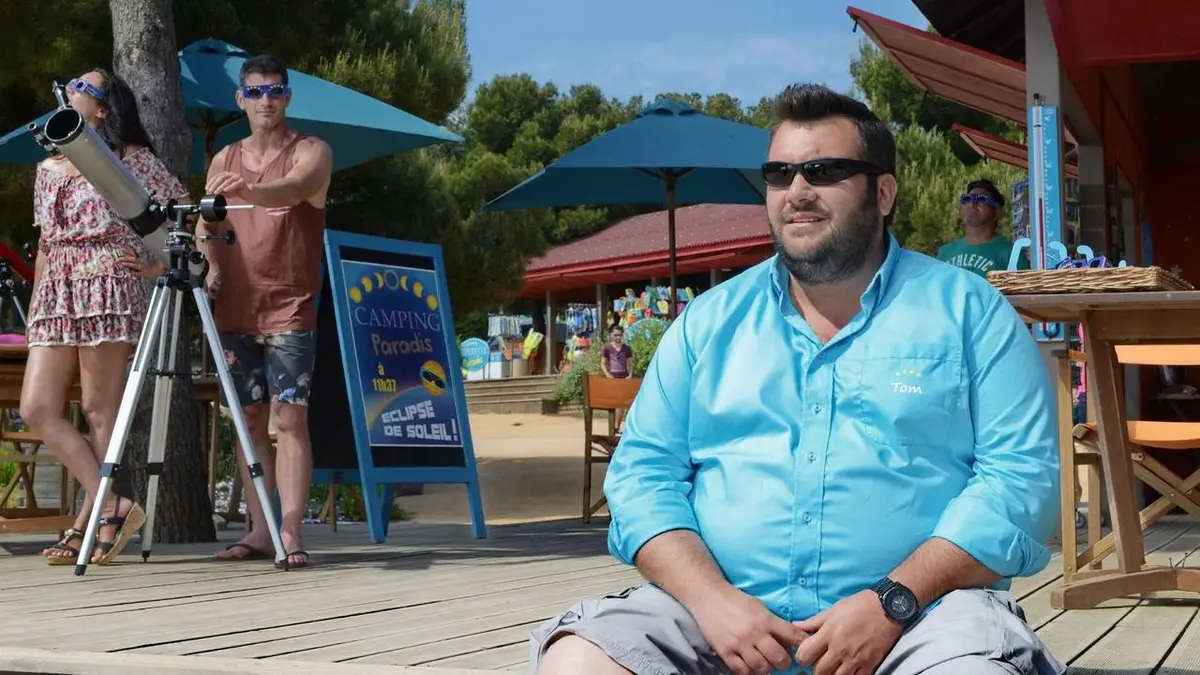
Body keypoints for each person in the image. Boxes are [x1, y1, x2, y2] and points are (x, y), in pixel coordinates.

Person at [530, 84, 1065, 675]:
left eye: (824, 170)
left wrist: (892, 600)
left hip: (922, 621)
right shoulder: (709, 322)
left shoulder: (969, 311)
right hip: (717, 621)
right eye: (779, 174)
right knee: (578, 660)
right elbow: (641, 476)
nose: (797, 191)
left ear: (883, 192)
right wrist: (712, 600)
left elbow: (1021, 480)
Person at [22, 69, 184, 566]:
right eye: (71, 84)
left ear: (102, 109)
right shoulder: (49, 166)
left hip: (107, 283)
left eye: (82, 87)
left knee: (98, 410)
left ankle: (91, 519)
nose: (70, 90)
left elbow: (182, 214)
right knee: (37, 409)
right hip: (56, 289)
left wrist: (156, 264)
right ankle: (112, 502)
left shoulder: (131, 160)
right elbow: (46, 241)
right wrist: (36, 305)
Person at [200, 54, 332, 569]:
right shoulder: (224, 158)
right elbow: (206, 224)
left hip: (290, 304)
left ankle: (291, 529)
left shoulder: (312, 150)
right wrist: (211, 263)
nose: (266, 101)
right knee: (248, 418)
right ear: (241, 99)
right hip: (235, 305)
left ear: (288, 96)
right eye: (255, 92)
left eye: (275, 91)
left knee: (290, 417)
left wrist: (249, 191)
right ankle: (259, 529)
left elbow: (296, 188)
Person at [936, 178, 1029, 277]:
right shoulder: (944, 252)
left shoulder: (1011, 254)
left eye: (981, 199)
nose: (973, 204)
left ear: (997, 212)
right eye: (967, 199)